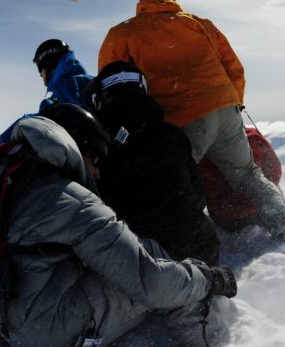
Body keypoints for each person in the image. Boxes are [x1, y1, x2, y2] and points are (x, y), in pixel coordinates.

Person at [0, 114, 237, 347]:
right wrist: (207, 279)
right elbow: (150, 282)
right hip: (45, 335)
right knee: (155, 259)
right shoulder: (70, 200)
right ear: (78, 151)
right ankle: (215, 339)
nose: (98, 172)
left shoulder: (8, 181)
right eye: (95, 160)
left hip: (1, 318)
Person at [98, 0, 285, 242]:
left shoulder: (123, 32)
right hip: (225, 109)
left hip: (181, 119)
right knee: (248, 175)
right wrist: (232, 103)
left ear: (142, 2)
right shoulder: (200, 23)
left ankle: (189, 247)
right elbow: (234, 69)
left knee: (173, 182)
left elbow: (111, 83)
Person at [83, 61, 220, 265]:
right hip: (196, 252)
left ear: (101, 95)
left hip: (133, 260)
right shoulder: (172, 135)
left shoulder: (93, 145)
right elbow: (197, 196)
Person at [0, 39, 93, 143]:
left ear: (48, 64)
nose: (40, 75)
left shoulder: (65, 84)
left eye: (40, 69)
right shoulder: (91, 81)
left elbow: (69, 115)